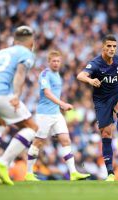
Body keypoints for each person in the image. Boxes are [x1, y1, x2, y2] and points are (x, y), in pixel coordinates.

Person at [0, 25, 37, 185]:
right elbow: (20, 73)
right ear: (31, 42)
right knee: (32, 128)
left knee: (0, 122)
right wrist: (17, 95)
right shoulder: (26, 52)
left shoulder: (2, 52)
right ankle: (2, 164)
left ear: (14, 40)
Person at [25, 50, 90, 181]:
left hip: (56, 114)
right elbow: (47, 93)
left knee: (66, 140)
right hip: (44, 114)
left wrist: (60, 106)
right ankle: (28, 173)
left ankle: (73, 173)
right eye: (53, 61)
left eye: (58, 61)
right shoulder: (45, 74)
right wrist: (62, 104)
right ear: (49, 62)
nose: (56, 63)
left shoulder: (57, 75)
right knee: (38, 142)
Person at [77, 34, 118, 181]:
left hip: (117, 93)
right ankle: (110, 173)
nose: (112, 49)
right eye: (109, 46)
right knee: (106, 134)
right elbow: (80, 75)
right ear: (103, 47)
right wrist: (90, 80)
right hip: (102, 101)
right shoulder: (96, 63)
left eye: (114, 46)